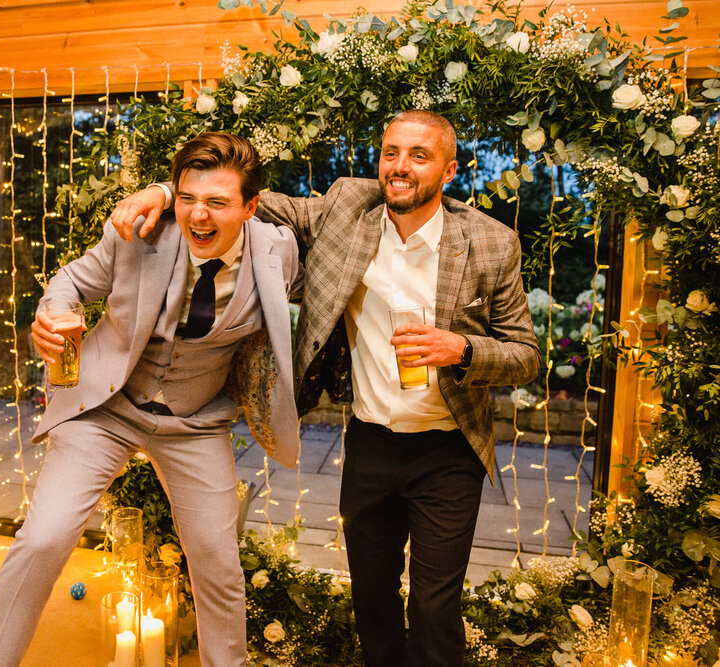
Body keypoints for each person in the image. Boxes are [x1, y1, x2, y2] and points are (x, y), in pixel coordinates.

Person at [110, 110, 540, 666]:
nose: (400, 167)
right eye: (391, 152)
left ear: (450, 170)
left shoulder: (491, 243)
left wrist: (461, 350)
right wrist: (164, 190)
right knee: (372, 596)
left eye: (419, 155)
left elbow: (526, 355)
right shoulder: (347, 207)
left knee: (435, 607)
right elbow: (244, 198)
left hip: (448, 448)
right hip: (369, 443)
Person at [0, 132, 301, 667]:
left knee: (218, 564)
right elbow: (69, 283)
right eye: (188, 197)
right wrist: (51, 319)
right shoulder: (139, 232)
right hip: (107, 409)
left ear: (250, 208)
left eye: (218, 202)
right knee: (43, 539)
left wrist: (166, 191)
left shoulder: (278, 252)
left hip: (194, 422)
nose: (199, 215)